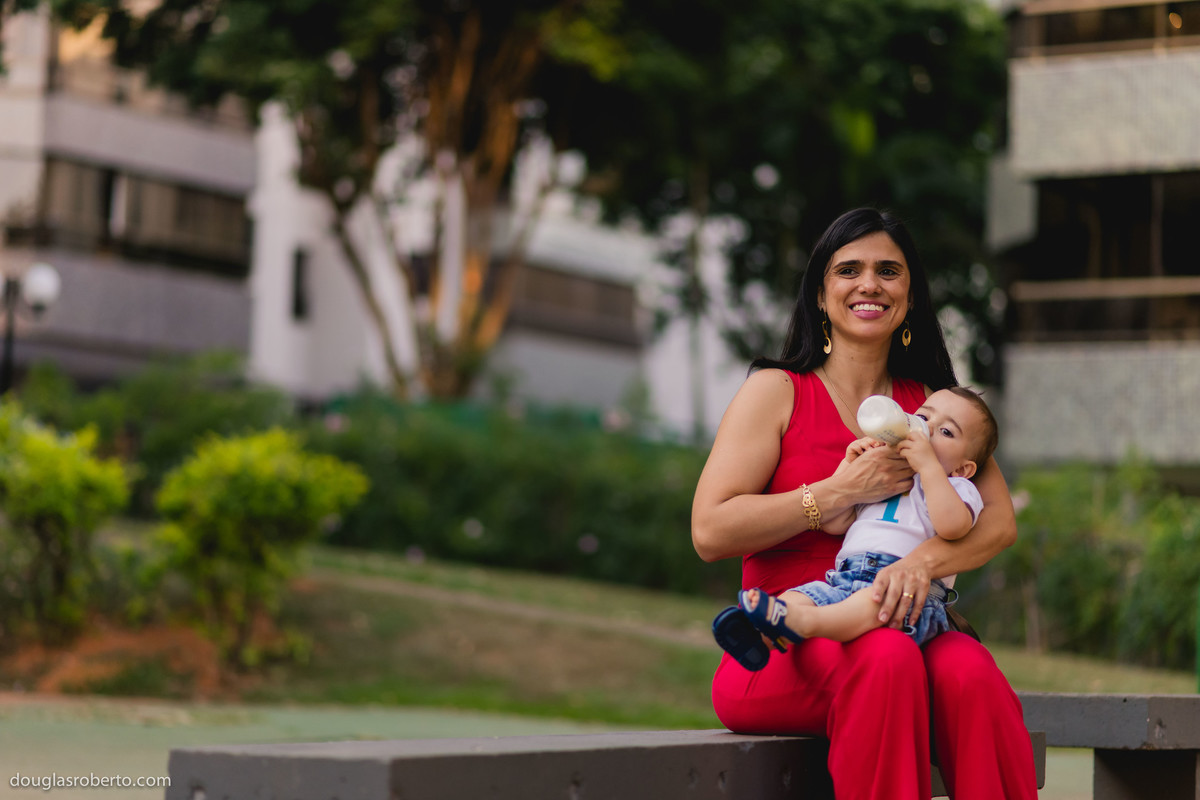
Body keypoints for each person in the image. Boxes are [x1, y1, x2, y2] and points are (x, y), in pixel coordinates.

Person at [691, 208, 1037, 799]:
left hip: (904, 618)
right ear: (821, 296)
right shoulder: (776, 390)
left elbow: (998, 522)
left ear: (910, 296)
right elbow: (710, 531)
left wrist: (921, 564)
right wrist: (839, 494)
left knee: (971, 671)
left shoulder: (934, 408)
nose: (869, 284)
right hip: (786, 638)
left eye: (889, 271)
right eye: (848, 269)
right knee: (887, 658)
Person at [714, 386, 998, 666]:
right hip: (846, 577)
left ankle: (804, 624)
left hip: (905, 595)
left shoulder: (956, 486)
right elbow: (836, 524)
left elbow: (952, 526)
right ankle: (760, 636)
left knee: (867, 605)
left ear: (963, 468)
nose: (926, 430)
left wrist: (929, 469)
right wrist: (848, 470)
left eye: (946, 432)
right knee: (801, 596)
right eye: (923, 418)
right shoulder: (887, 473)